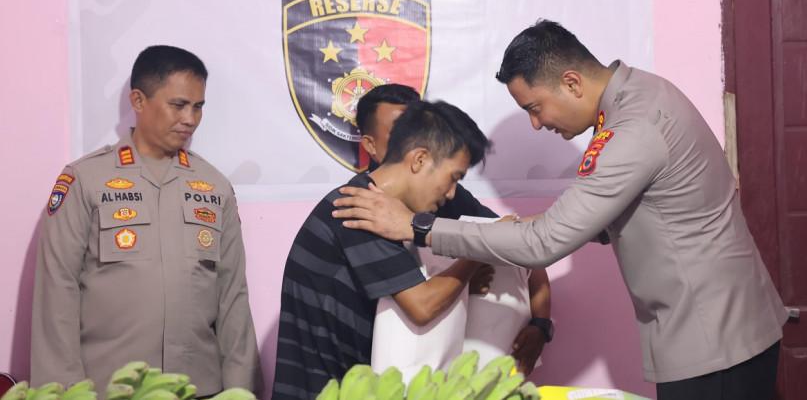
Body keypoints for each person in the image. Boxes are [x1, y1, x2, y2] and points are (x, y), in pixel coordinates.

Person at [331, 20, 788, 400]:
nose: (537, 124)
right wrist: (520, 231)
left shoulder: (633, 129)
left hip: (714, 341)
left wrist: (418, 227)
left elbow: (546, 242)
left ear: (571, 82)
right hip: (722, 327)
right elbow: (579, 223)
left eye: (535, 107)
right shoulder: (641, 95)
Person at [31, 45, 262, 397]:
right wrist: (64, 392)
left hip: (197, 389)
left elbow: (233, 298)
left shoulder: (215, 187)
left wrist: (241, 391)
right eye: (178, 105)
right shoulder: (85, 180)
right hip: (110, 390)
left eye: (198, 106)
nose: (190, 118)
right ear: (138, 101)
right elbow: (56, 292)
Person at [272, 100, 491, 399]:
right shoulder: (359, 209)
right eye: (453, 177)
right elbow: (422, 306)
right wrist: (476, 254)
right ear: (419, 160)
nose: (452, 193)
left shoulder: (378, 208)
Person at [355, 84, 552, 375]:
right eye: (398, 133)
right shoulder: (363, 209)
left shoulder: (447, 196)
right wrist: (473, 262)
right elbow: (421, 306)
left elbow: (512, 240)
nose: (407, 142)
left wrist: (541, 325)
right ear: (370, 145)